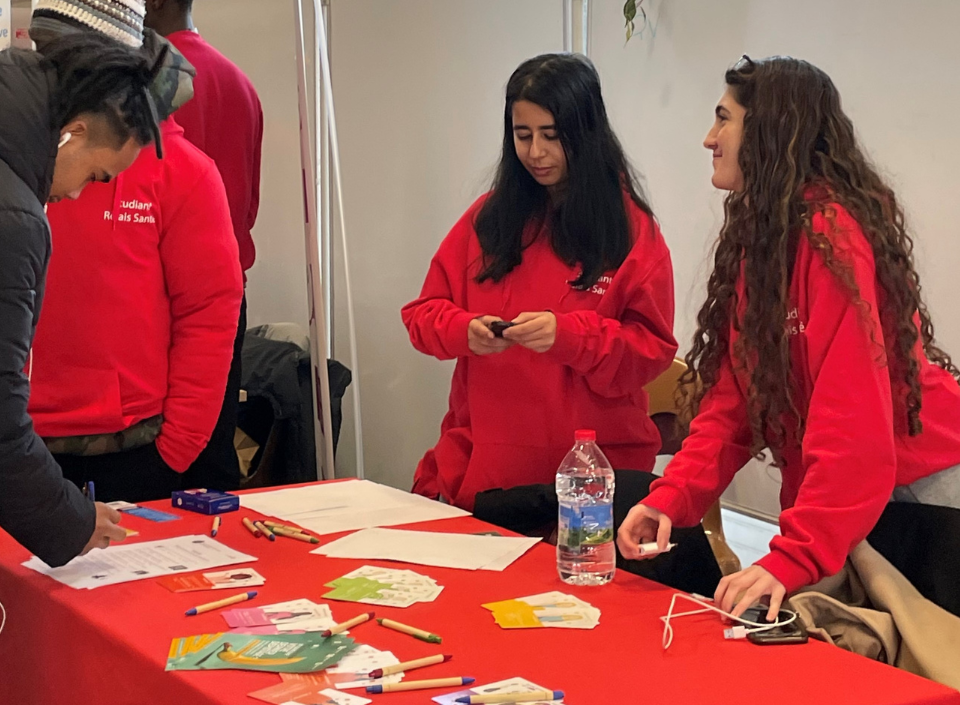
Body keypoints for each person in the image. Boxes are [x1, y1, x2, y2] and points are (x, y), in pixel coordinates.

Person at [618, 56, 960, 621]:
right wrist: (671, 499)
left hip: (918, 500)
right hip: (855, 502)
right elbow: (733, 401)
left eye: (724, 120)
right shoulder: (766, 236)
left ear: (771, 129)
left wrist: (794, 555)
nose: (709, 138)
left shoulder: (830, 235)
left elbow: (854, 426)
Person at [402, 53, 678, 512]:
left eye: (552, 136)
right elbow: (421, 315)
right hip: (486, 475)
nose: (535, 153)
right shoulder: (488, 219)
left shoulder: (630, 230)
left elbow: (650, 353)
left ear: (585, 135)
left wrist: (570, 336)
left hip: (592, 483)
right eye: (522, 135)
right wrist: (462, 330)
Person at [0, 32, 166, 581]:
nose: (81, 194)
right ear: (73, 133)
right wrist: (70, 520)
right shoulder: (1, 217)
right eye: (95, 174)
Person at [25, 0, 244, 504]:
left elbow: (210, 309)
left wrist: (178, 447)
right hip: (14, 443)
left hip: (133, 449)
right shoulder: (12, 151)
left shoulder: (184, 172)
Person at [139, 0, 264, 491]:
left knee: (152, 468)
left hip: (159, 303)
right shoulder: (241, 84)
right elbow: (251, 203)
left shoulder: (138, 86)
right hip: (225, 297)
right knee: (212, 459)